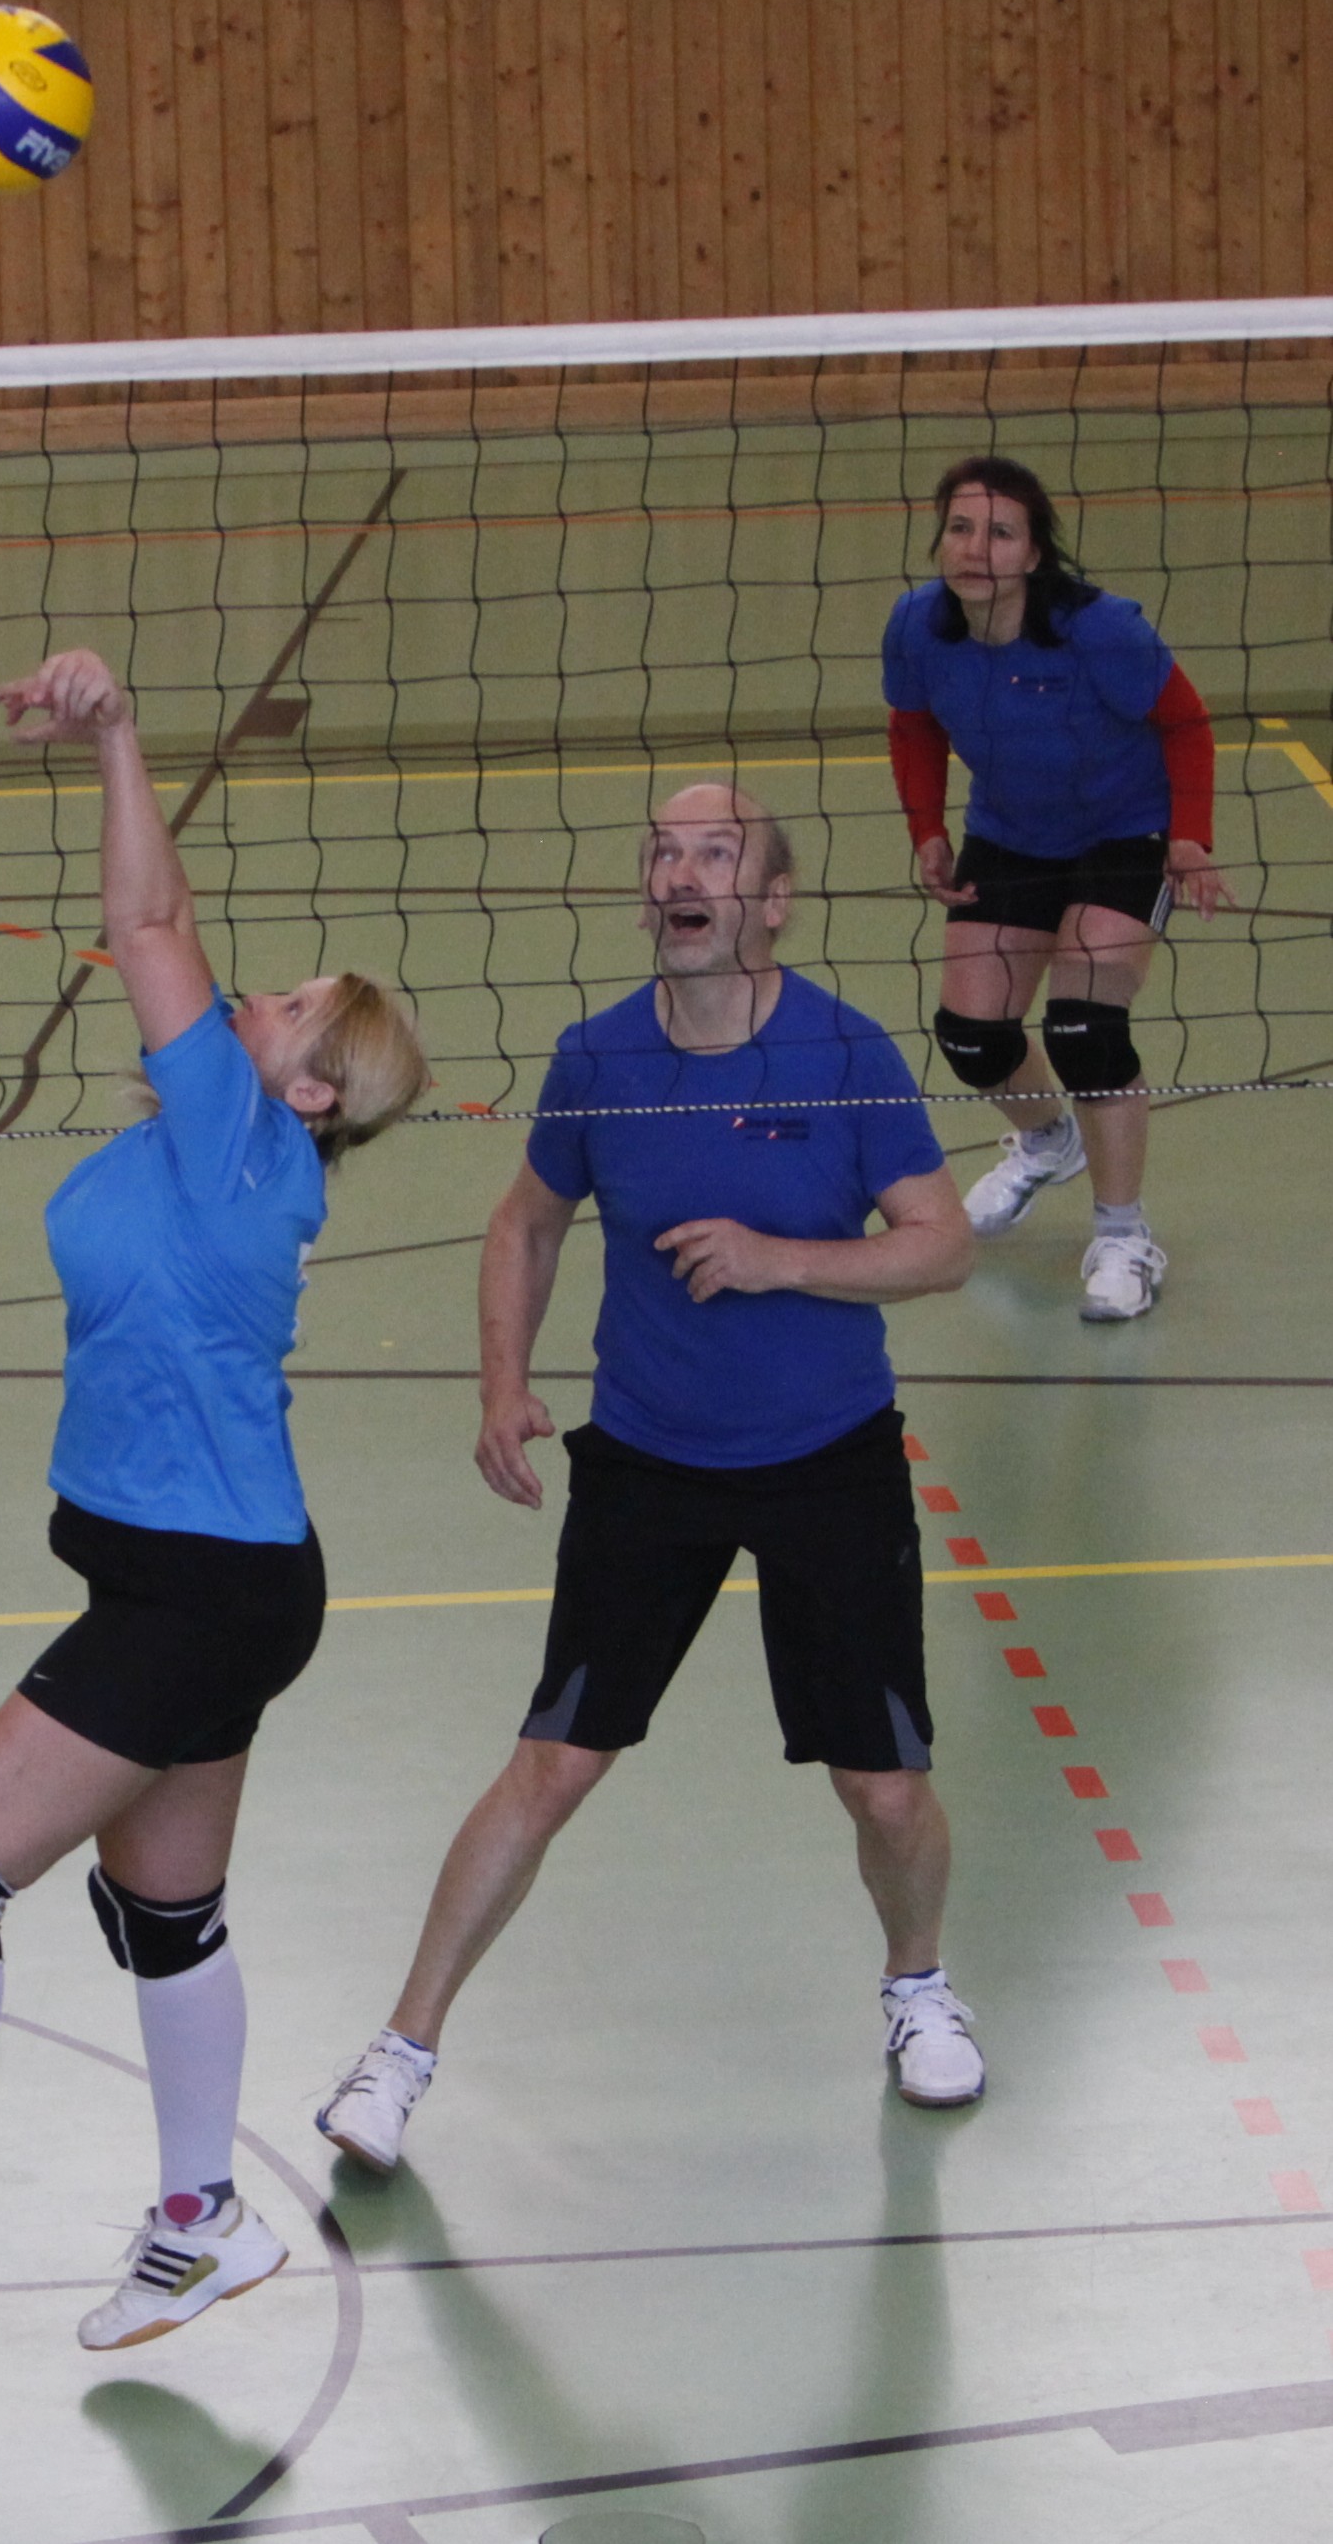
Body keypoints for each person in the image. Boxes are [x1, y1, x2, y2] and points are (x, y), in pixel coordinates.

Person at [0, 648, 429, 2349]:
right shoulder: (198, 1143)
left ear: (309, 1087)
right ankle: (202, 2223)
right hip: (206, 1578)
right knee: (157, 1910)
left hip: (200, 1592)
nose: (249, 998)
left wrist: (115, 736)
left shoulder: (240, 1141)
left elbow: (148, 917)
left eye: (286, 1005)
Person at [317, 782, 980, 2178]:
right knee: (550, 1764)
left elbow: (939, 1243)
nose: (679, 873)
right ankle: (398, 2053)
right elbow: (524, 1220)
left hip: (826, 1463)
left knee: (884, 1789)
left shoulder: (845, 1052)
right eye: (663, 853)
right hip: (646, 1463)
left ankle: (917, 1984)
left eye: (714, 853)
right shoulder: (597, 1057)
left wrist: (778, 1258)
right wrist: (501, 1382)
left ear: (771, 900)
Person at [885, 453, 1234, 1322]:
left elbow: (1186, 723)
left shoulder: (1099, 630)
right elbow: (913, 723)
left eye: (1000, 532)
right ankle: (1046, 1139)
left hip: (1125, 831)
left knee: (1083, 1028)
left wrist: (1189, 837)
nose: (976, 548)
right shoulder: (918, 625)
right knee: (970, 1036)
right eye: (960, 527)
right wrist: (926, 828)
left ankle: (1122, 1236)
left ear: (1034, 553)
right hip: (1009, 833)